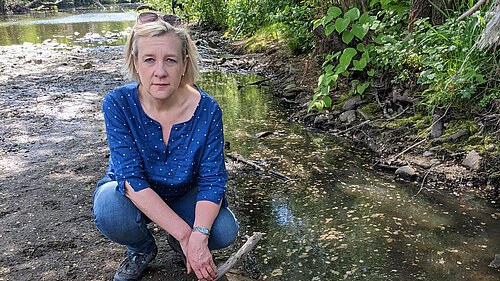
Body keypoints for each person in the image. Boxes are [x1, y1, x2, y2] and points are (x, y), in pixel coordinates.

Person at [92, 12, 239, 281]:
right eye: (149, 60)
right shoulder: (117, 104)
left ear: (184, 63)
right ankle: (142, 249)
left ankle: (177, 241)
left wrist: (200, 234)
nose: (160, 72)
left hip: (184, 193)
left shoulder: (207, 109)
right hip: (132, 198)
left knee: (223, 230)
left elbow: (213, 180)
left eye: (170, 60)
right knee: (109, 208)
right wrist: (188, 236)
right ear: (135, 62)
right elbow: (131, 179)